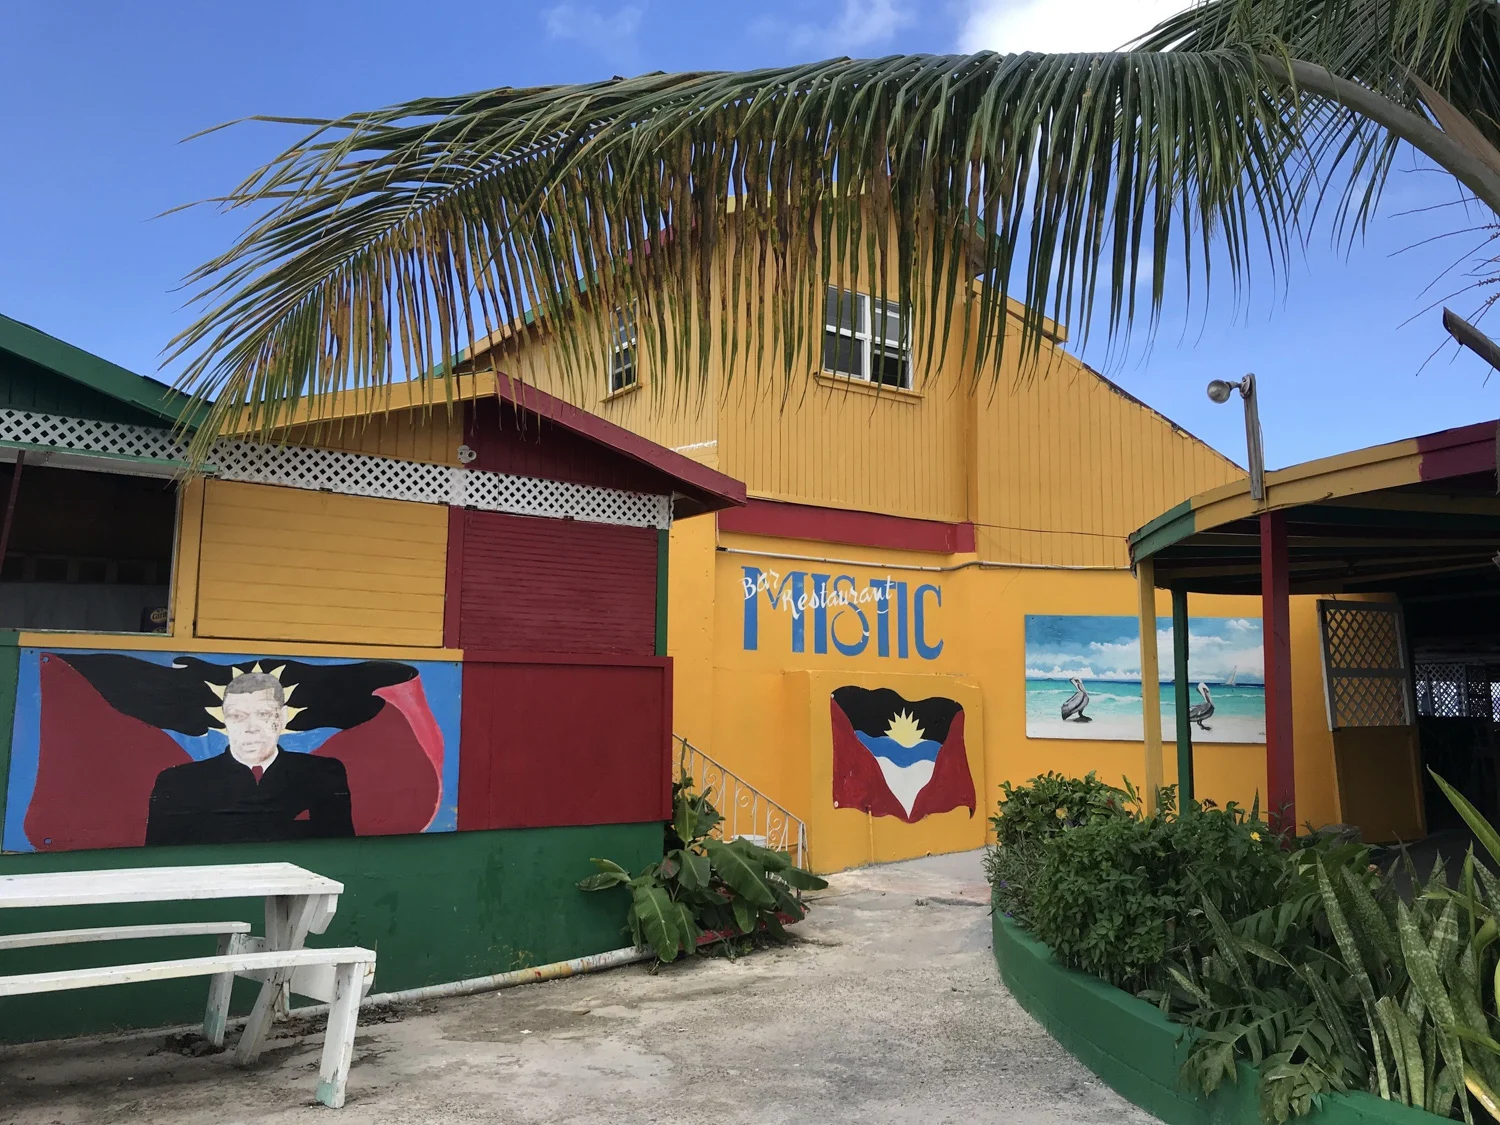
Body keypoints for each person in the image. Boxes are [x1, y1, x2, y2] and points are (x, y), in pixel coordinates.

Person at [145, 671, 354, 846]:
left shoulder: (323, 774)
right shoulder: (178, 782)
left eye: (263, 714)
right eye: (237, 716)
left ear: (282, 717)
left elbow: (339, 848)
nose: (251, 728)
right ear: (224, 719)